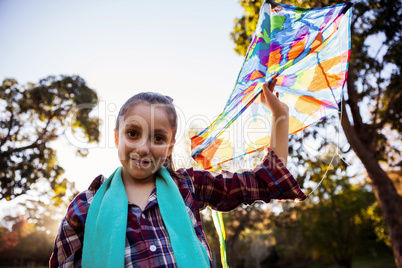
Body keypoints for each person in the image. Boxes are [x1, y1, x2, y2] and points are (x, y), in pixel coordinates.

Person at [50, 77, 306, 268]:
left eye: (158, 138)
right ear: (117, 136)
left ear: (170, 146)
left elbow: (264, 181)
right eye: (132, 133)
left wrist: (279, 116)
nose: (143, 147)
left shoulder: (189, 186)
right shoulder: (85, 207)